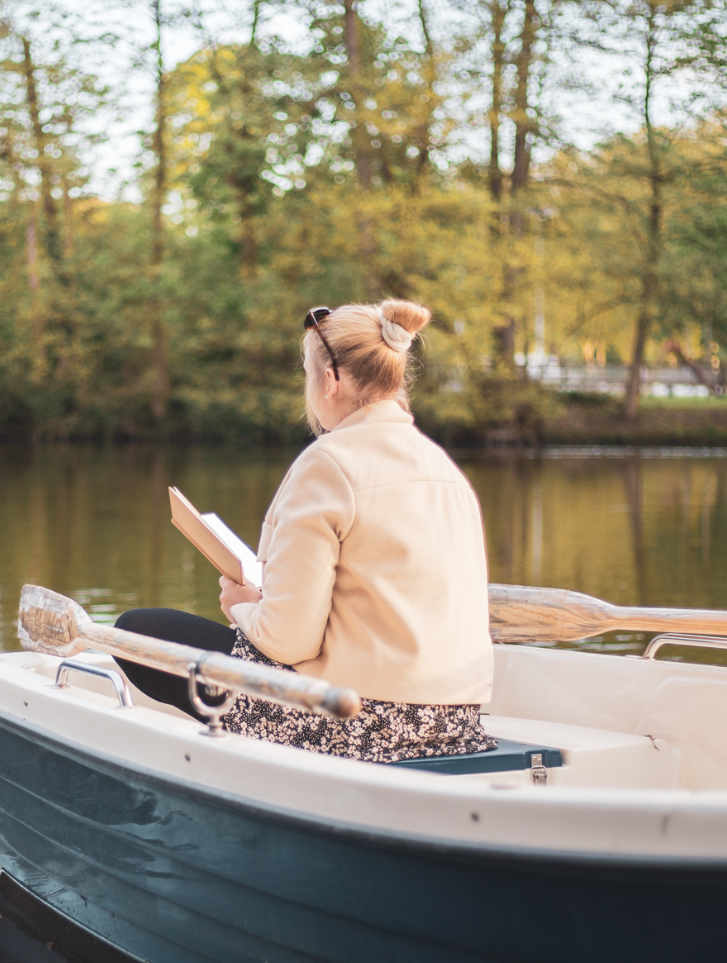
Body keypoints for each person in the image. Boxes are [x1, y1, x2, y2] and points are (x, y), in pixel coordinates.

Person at [115, 298, 496, 763]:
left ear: (330, 382)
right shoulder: (444, 467)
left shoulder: (329, 464)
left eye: (306, 373)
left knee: (138, 631)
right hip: (456, 721)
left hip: (353, 722)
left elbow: (288, 641)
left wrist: (242, 608)